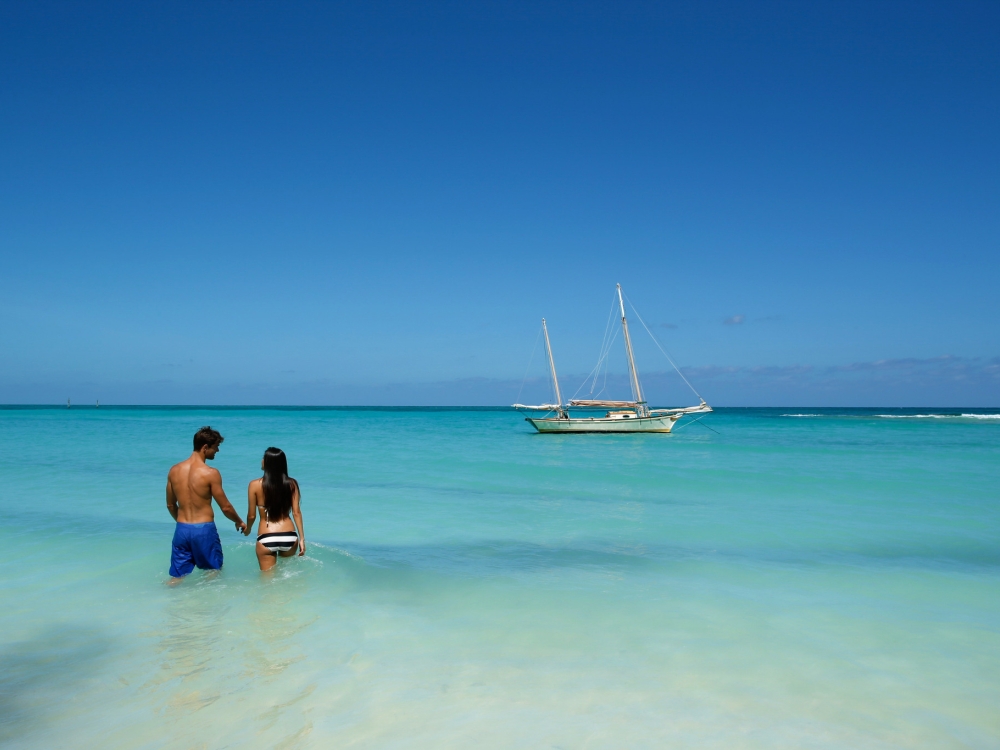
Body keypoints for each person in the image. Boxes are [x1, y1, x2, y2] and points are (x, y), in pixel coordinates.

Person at [165, 426, 246, 580]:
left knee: (177, 577)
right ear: (205, 447)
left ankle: (170, 601)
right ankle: (207, 604)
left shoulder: (174, 470)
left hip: (181, 529)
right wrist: (239, 521)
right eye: (216, 447)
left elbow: (170, 505)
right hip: (203, 530)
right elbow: (226, 507)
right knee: (213, 572)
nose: (217, 451)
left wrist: (185, 525)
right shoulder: (210, 473)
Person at [245, 447, 306, 571]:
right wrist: (302, 539)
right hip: (289, 536)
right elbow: (296, 512)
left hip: (267, 536)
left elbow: (252, 516)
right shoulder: (292, 484)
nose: (261, 461)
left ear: (267, 462)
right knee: (287, 576)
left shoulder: (254, 485)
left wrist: (248, 529)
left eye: (264, 458)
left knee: (268, 581)